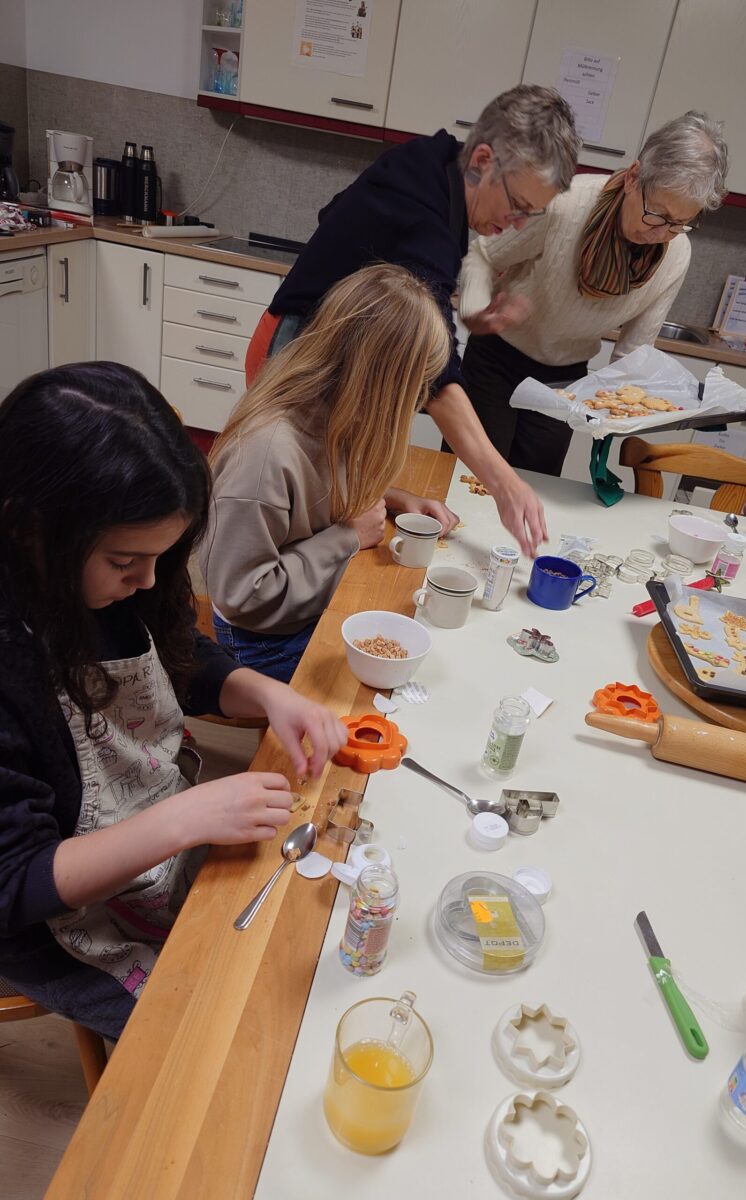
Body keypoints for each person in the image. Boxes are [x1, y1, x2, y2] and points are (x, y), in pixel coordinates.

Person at [0, 363, 347, 1040]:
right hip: (55, 919)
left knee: (292, 948)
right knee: (213, 1039)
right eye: (126, 563)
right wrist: (182, 821)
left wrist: (262, 692)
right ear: (30, 530)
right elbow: (15, 882)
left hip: (153, 823)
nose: (149, 579)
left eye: (162, 558)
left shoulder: (127, 575)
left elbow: (173, 648)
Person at [244, 85, 582, 555]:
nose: (519, 223)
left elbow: (338, 213)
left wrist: (383, 497)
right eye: (519, 206)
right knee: (293, 522)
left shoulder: (434, 160)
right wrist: (506, 484)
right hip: (291, 356)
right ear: (482, 159)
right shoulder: (424, 212)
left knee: (330, 497)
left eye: (533, 213)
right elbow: (437, 374)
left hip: (319, 355)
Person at [202, 264, 456, 681]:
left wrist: (396, 498)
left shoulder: (330, 414)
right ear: (381, 386)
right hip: (262, 643)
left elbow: (324, 483)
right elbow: (243, 597)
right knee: (411, 674)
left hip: (299, 611)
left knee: (419, 626)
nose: (420, 401)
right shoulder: (265, 455)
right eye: (417, 388)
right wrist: (347, 538)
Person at [458, 111, 729, 476]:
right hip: (496, 359)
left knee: (538, 486)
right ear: (634, 177)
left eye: (679, 223)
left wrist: (627, 411)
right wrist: (476, 309)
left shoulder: (675, 254)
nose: (661, 232)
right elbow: (484, 255)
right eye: (657, 214)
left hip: (566, 380)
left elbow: (633, 355)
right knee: (472, 479)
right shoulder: (565, 206)